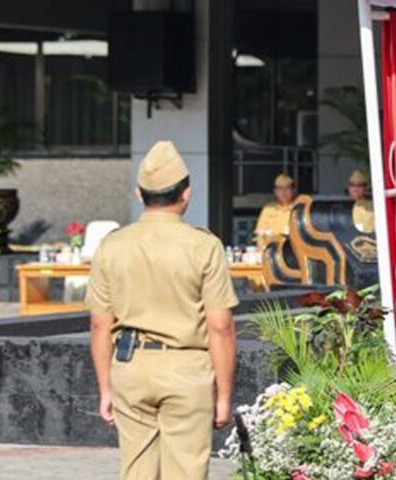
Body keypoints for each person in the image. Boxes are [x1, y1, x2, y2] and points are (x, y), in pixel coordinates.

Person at [86, 140, 239, 479]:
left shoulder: (112, 246)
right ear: (186, 194)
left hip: (131, 366)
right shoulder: (204, 246)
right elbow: (220, 327)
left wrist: (106, 388)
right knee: (185, 471)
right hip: (188, 369)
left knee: (136, 471)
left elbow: (99, 325)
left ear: (139, 194)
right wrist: (224, 395)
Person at [255, 173, 296, 246]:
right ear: (275, 191)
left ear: (293, 190)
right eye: (280, 188)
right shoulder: (268, 210)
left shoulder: (299, 209)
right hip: (272, 250)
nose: (284, 192)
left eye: (287, 188)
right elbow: (260, 235)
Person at [347, 169, 375, 233]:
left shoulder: (371, 207)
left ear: (366, 188)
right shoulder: (342, 206)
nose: (355, 189)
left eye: (359, 185)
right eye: (352, 185)